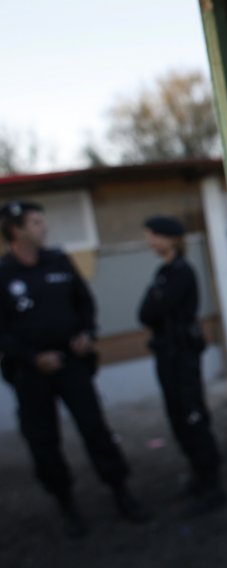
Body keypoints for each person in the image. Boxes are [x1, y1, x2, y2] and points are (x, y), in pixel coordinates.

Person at [0, 201, 150, 539]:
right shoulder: (3, 273)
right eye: (36, 222)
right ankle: (66, 504)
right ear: (16, 230)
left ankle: (121, 493)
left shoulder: (58, 260)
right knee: (43, 441)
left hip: (71, 366)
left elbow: (84, 303)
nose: (44, 227)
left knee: (95, 428)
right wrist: (31, 357)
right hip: (31, 373)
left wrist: (87, 333)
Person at [138, 215, 224, 516]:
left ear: (171, 238)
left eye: (153, 236)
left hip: (182, 355)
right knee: (178, 417)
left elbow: (154, 309)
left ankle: (213, 484)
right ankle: (198, 477)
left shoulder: (181, 272)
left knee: (192, 416)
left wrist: (155, 303)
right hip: (167, 354)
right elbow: (145, 312)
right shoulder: (164, 272)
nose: (150, 242)